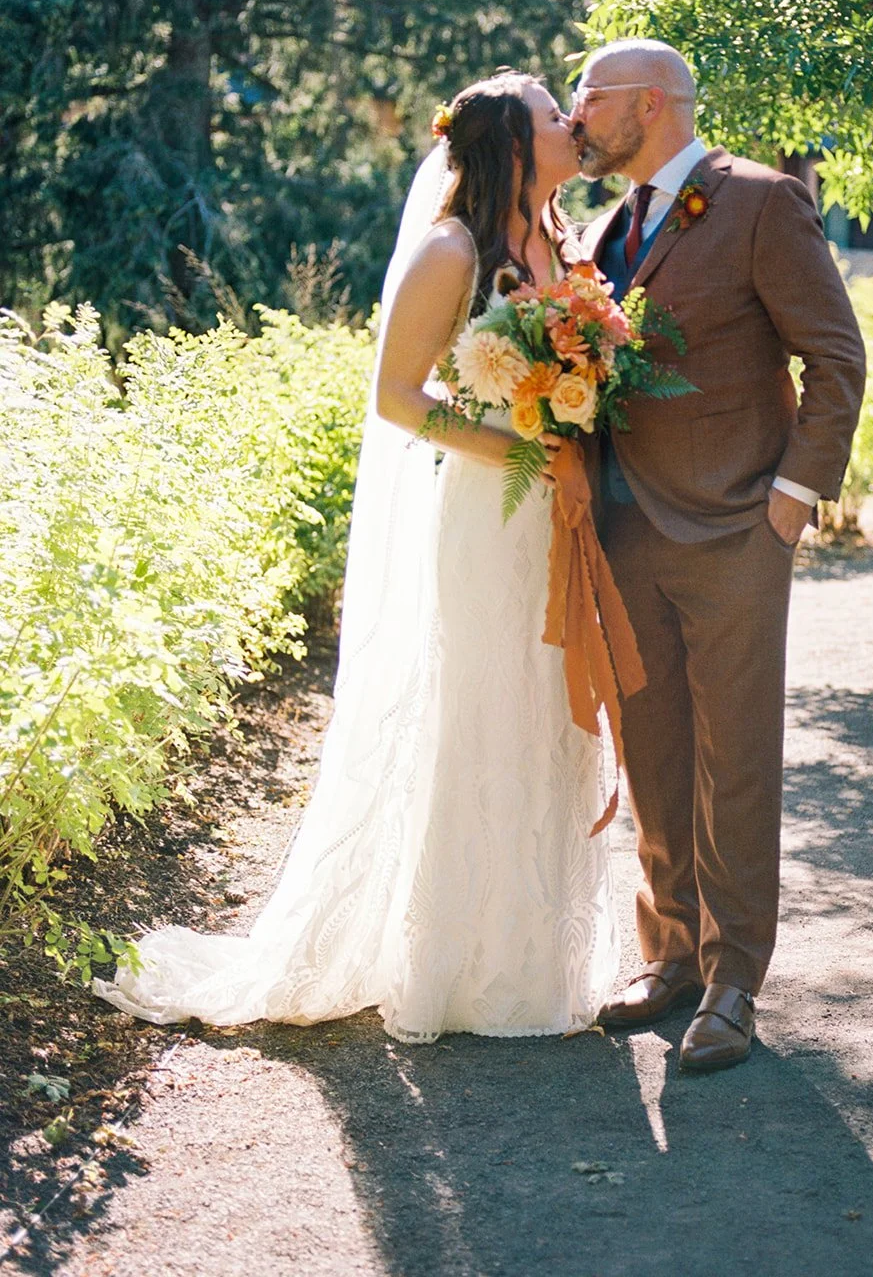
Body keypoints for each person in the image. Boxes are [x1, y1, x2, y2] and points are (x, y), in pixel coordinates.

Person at [92, 72, 619, 1043]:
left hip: (562, 511)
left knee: (552, 710)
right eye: (554, 114)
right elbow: (399, 398)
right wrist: (524, 448)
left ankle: (534, 963)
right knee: (484, 709)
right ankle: (455, 968)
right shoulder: (449, 252)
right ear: (510, 140)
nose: (572, 123)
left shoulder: (558, 244)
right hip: (489, 514)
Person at [573, 40, 866, 1072]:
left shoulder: (759, 202)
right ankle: (672, 958)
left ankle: (736, 973)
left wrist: (788, 502)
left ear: (646, 103)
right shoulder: (606, 225)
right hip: (623, 534)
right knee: (651, 754)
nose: (576, 115)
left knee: (732, 758)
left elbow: (834, 355)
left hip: (737, 528)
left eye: (588, 96)